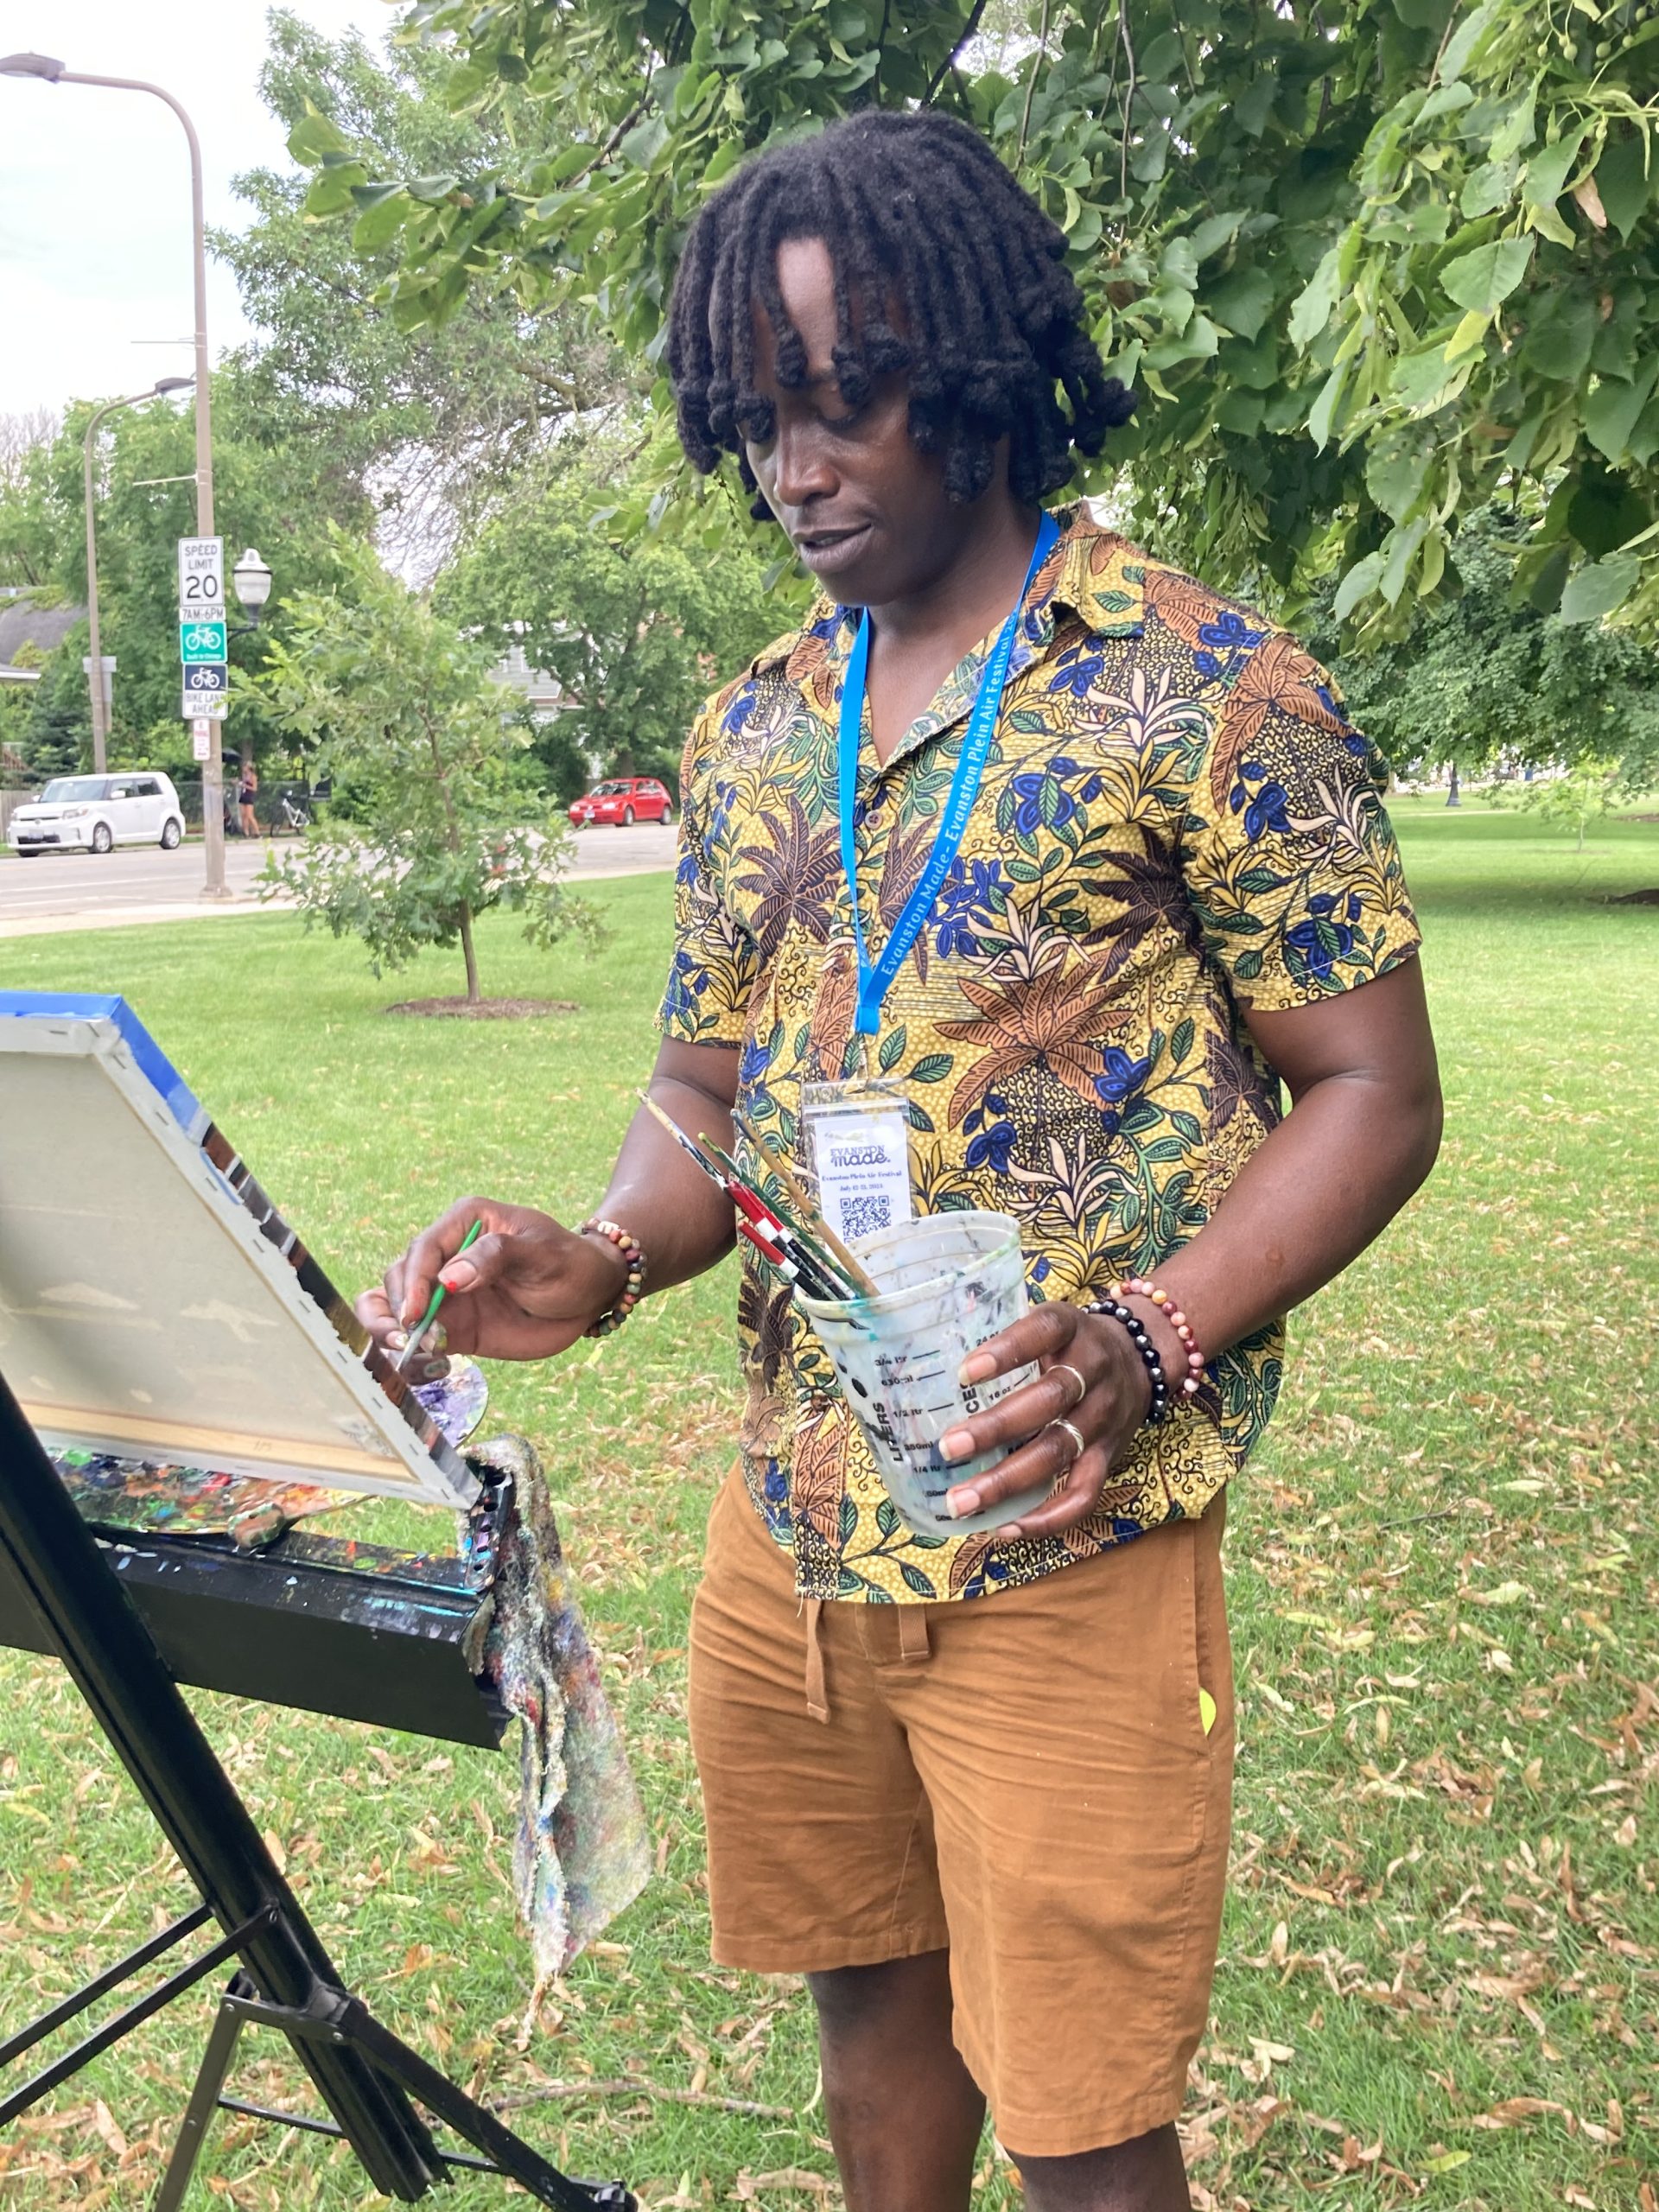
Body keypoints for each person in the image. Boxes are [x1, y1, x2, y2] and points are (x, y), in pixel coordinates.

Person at [359, 110, 1442, 2212]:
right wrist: (597, 1249)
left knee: (1083, 2106)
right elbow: (700, 1089)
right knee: (869, 2008)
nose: (799, 461)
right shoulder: (761, 723)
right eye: (761, 416)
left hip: (1067, 1519)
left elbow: (1375, 1091)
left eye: (846, 399)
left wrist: (1153, 1327)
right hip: (800, 1518)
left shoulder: (1206, 688)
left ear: (970, 370)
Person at [237, 759, 259, 839]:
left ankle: (257, 832)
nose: (243, 768)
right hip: (243, 796)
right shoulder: (244, 776)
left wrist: (245, 786)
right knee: (244, 815)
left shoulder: (253, 777)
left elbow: (254, 788)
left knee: (250, 815)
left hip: (249, 796)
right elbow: (243, 784)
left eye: (245, 766)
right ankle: (246, 833)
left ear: (248, 767)